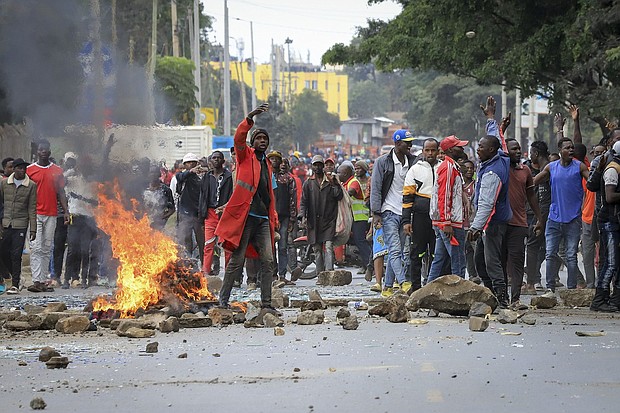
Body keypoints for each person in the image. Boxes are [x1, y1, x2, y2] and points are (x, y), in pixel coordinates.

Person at [216, 103, 279, 312]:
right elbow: (238, 139)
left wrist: (274, 220)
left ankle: (267, 304)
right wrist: (250, 118)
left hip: (262, 219)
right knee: (237, 260)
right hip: (245, 217)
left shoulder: (267, 164)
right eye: (259, 138)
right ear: (253, 142)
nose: (262, 141)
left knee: (268, 261)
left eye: (265, 139)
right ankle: (223, 301)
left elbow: (270, 195)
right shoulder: (245, 156)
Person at [468, 102, 513, 308]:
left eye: (481, 147)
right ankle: (491, 294)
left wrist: (476, 227)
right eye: (478, 146)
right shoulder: (501, 157)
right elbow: (497, 137)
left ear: (491, 150)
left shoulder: (492, 173)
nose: (478, 150)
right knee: (480, 260)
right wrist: (490, 118)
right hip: (495, 220)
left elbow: (486, 203)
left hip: (492, 223)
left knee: (491, 261)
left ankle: (501, 298)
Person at [533, 133, 589, 292]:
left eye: (572, 147)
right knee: (550, 254)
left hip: (573, 219)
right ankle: (550, 289)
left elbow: (591, 182)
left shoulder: (579, 167)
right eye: (567, 148)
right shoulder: (551, 167)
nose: (571, 150)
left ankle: (571, 290)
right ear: (560, 150)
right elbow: (535, 181)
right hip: (554, 218)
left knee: (571, 256)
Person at [370, 129, 415, 297]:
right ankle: (403, 282)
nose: (410, 145)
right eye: (407, 142)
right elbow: (376, 188)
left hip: (405, 213)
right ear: (397, 144)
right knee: (395, 251)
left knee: (399, 250)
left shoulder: (412, 162)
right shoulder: (383, 162)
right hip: (388, 211)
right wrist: (376, 213)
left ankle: (388, 287)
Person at [502, 139, 543, 305]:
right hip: (501, 223)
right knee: (501, 261)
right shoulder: (501, 167)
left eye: (519, 149)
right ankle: (502, 297)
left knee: (518, 260)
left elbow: (531, 196)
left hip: (519, 223)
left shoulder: (525, 170)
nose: (518, 152)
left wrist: (540, 218)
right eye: (514, 149)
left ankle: (516, 299)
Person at [27, 140, 70, 292]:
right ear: (37, 152)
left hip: (52, 213)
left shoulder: (57, 171)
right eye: (41, 149)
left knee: (46, 248)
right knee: (36, 247)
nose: (43, 151)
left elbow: (61, 192)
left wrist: (65, 211)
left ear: (50, 152)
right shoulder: (29, 170)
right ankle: (36, 280)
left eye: (46, 149)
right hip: (34, 214)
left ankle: (44, 280)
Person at [403, 138, 441, 292]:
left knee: (436, 253)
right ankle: (416, 287)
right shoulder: (415, 170)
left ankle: (433, 287)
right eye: (427, 150)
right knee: (417, 253)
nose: (430, 153)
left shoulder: (443, 168)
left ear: (438, 151)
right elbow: (407, 197)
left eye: (433, 150)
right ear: (423, 151)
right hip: (420, 217)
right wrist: (406, 220)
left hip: (439, 218)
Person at [427, 135, 467, 282]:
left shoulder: (449, 166)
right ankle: (460, 293)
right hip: (449, 223)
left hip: (443, 222)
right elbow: (444, 196)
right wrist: (446, 222)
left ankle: (426, 290)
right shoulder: (448, 168)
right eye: (459, 146)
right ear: (450, 149)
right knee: (458, 261)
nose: (462, 148)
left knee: (439, 260)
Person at [299, 155, 343, 275]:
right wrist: (302, 216)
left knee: (328, 246)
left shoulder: (330, 181)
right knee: (317, 249)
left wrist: (335, 184)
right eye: (315, 165)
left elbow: (339, 196)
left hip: (329, 220)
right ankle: (320, 275)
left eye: (319, 165)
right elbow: (303, 202)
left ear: (323, 167)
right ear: (312, 166)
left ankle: (329, 273)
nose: (317, 167)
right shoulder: (308, 183)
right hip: (313, 221)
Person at [589, 140, 620, 312]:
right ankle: (599, 299)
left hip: (615, 220)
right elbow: (609, 197)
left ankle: (616, 300)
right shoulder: (613, 169)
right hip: (609, 220)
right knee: (611, 263)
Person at [0, 158, 37, 294]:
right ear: (14, 169)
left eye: (24, 169)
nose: (22, 171)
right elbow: (1, 203)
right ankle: (12, 277)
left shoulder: (31, 185)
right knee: (3, 251)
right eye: (19, 168)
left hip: (21, 224)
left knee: (16, 254)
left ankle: (15, 284)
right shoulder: (4, 184)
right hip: (6, 223)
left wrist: (33, 229)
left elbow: (32, 208)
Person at [63, 160, 99, 289]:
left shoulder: (94, 184)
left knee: (85, 250)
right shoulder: (73, 179)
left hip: (88, 219)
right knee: (73, 250)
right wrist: (70, 170)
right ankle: (68, 279)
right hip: (75, 217)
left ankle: (84, 279)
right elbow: (60, 181)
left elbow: (98, 202)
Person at [523, 141, 552, 294]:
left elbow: (530, 185)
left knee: (533, 246)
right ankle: (533, 280)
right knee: (539, 247)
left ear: (536, 153)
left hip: (543, 211)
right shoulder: (543, 167)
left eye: (532, 152)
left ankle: (530, 284)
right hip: (539, 210)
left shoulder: (549, 168)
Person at [199, 150, 233, 275]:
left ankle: (230, 275)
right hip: (210, 213)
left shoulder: (229, 177)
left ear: (223, 161)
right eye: (214, 158)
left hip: (225, 214)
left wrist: (226, 209)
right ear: (210, 161)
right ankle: (206, 272)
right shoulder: (207, 177)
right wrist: (201, 216)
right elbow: (202, 197)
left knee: (227, 245)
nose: (216, 160)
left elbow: (232, 196)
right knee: (208, 244)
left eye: (219, 158)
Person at [267, 150, 298, 285]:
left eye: (276, 159)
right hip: (268, 216)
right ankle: (272, 275)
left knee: (283, 246)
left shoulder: (288, 178)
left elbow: (292, 199)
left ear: (280, 162)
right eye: (271, 159)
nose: (274, 161)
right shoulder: (265, 176)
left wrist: (292, 218)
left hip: (284, 216)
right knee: (270, 247)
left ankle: (282, 275)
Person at [340, 161, 371, 275]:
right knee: (357, 241)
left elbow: (350, 193)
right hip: (353, 217)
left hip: (360, 216)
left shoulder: (353, 182)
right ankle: (365, 264)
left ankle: (370, 265)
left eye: (340, 172)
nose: (338, 174)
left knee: (360, 241)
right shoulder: (346, 182)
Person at [175, 153, 205, 263]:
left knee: (201, 241)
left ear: (197, 163)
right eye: (188, 163)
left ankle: (204, 265)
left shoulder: (201, 177)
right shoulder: (181, 176)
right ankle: (188, 263)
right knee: (186, 240)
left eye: (193, 162)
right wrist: (190, 172)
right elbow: (180, 177)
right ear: (185, 165)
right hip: (185, 214)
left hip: (198, 214)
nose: (191, 164)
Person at [461, 159, 479, 283]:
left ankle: (479, 273)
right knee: (467, 250)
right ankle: (472, 274)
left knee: (477, 249)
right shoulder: (459, 185)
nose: (469, 170)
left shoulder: (476, 185)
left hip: (473, 222)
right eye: (466, 168)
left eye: (471, 168)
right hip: (462, 222)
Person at [142, 166, 175, 231]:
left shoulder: (165, 190)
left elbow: (172, 209)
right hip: (144, 223)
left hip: (160, 225)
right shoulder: (143, 189)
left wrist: (162, 218)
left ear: (159, 174)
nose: (153, 175)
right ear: (148, 174)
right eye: (151, 172)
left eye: (155, 172)